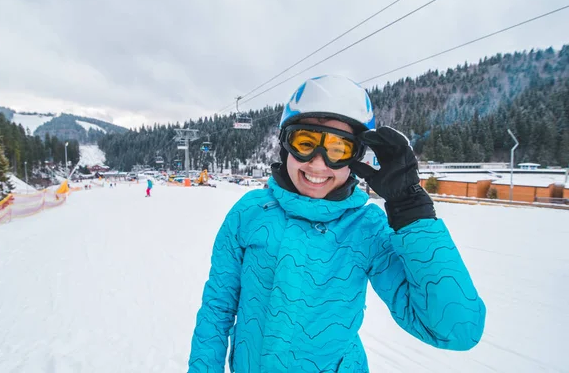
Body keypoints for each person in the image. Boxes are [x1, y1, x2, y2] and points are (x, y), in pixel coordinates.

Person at [188, 75, 486, 372]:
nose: (317, 164)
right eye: (305, 143)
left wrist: (411, 211)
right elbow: (217, 310)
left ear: (355, 156)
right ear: (285, 145)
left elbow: (456, 330)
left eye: (337, 149)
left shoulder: (366, 227)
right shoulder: (250, 212)